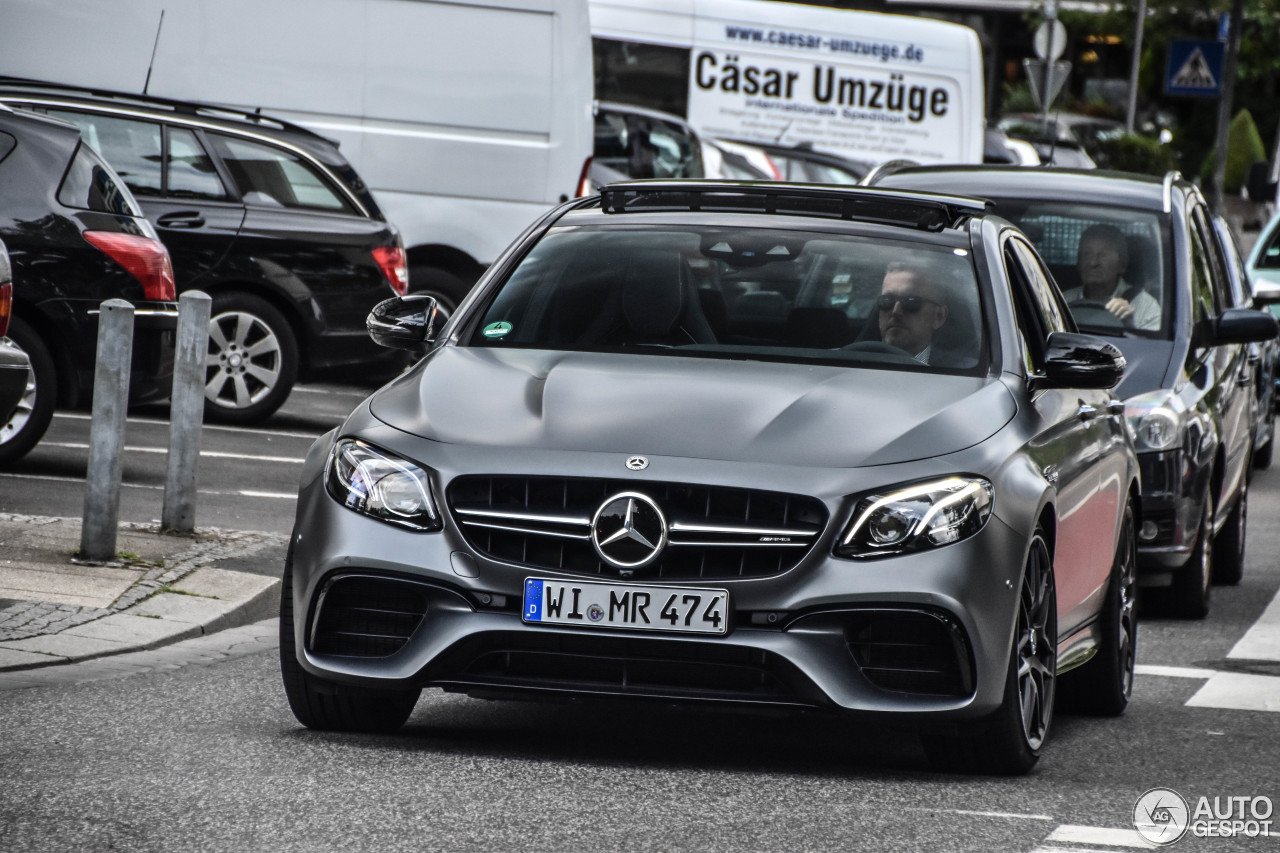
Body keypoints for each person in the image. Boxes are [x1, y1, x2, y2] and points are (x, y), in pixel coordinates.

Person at [1063, 223, 1160, 330]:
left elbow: (1150, 345)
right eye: (1087, 254)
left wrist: (1129, 325)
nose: (1093, 262)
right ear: (1079, 263)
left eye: (1103, 254)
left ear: (1122, 264)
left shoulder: (1146, 307)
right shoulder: (1063, 302)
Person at [877, 260, 949, 364]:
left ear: (939, 316)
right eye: (887, 300)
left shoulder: (962, 373)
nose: (896, 311)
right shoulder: (853, 362)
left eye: (911, 301)